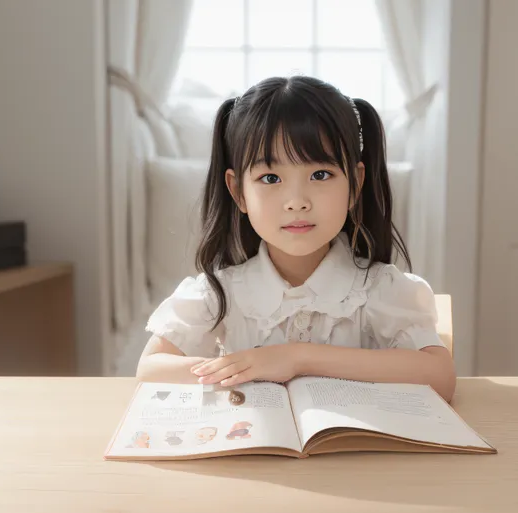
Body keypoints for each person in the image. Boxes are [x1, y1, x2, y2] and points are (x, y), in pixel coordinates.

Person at [136, 76, 456, 402]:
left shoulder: (378, 289)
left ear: (355, 184)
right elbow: (150, 371)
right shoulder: (220, 293)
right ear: (238, 192)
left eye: (320, 175)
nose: (296, 201)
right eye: (270, 178)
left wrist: (297, 358)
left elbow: (439, 376)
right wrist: (246, 369)